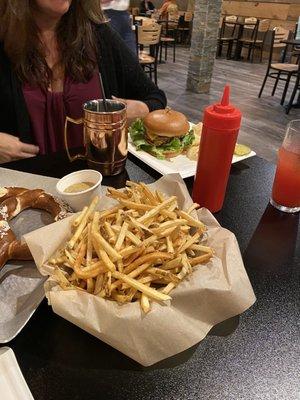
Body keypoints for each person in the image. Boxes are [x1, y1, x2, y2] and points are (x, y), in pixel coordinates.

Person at [0, 0, 166, 163]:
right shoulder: (4, 41)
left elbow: (156, 98)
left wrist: (142, 110)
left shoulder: (99, 36)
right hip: (24, 187)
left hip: (99, 184)